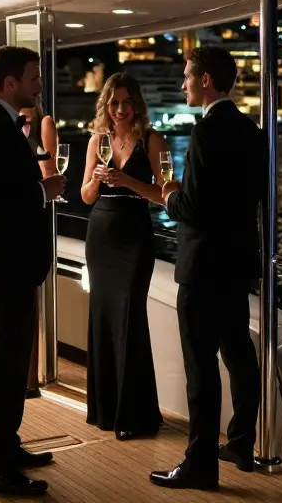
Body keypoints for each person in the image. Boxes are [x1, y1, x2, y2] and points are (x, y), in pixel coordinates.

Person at [150, 46, 264, 490]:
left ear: (207, 81)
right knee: (238, 353)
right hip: (236, 265)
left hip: (201, 269)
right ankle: (241, 442)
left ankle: (200, 464)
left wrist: (170, 196)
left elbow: (193, 207)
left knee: (200, 367)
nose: (183, 84)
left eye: (187, 77)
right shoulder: (252, 132)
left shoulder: (205, 133)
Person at [0, 46, 66, 496]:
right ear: (10, 83)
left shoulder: (5, 126)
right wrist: (44, 192)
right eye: (33, 76)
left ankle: (9, 446)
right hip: (4, 266)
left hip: (16, 265)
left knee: (10, 365)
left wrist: (37, 187)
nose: (39, 84)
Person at [79, 73, 167, 440]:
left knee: (129, 318)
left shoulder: (152, 139)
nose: (119, 109)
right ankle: (105, 410)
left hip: (134, 238)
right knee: (102, 320)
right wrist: (99, 180)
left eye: (126, 102)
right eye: (113, 102)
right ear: (106, 105)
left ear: (136, 105)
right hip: (100, 235)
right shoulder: (96, 141)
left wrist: (128, 181)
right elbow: (85, 195)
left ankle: (134, 414)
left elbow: (166, 193)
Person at [20, 102, 57, 399]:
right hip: (19, 214)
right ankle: (24, 378)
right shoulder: (11, 123)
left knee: (29, 298)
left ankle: (31, 379)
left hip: (35, 212)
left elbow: (50, 171)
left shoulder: (44, 122)